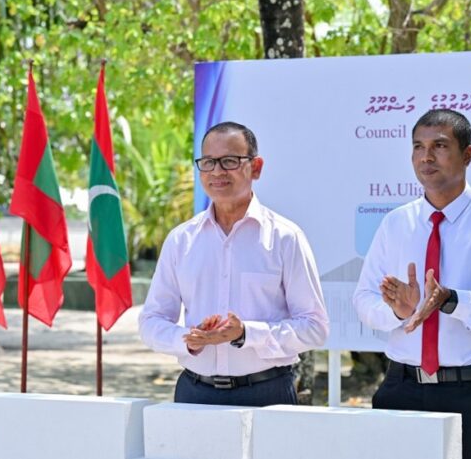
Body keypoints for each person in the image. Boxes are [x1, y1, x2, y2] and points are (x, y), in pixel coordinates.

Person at [353, 109, 471, 459]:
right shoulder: (396, 223)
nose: (426, 157)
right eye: (418, 147)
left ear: (468, 154)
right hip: (401, 388)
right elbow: (364, 299)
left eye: (440, 146)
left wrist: (452, 301)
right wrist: (399, 312)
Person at [139, 121, 329, 407]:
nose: (217, 171)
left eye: (229, 161)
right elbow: (151, 321)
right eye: (208, 162)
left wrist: (246, 334)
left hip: (267, 392)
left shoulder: (285, 238)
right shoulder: (181, 240)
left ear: (256, 167)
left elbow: (314, 327)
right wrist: (187, 339)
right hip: (195, 391)